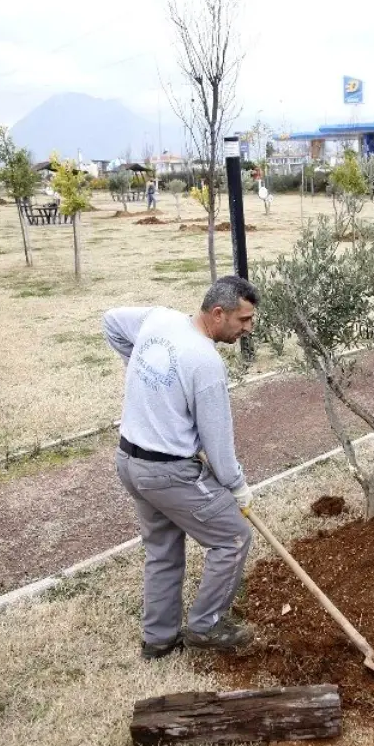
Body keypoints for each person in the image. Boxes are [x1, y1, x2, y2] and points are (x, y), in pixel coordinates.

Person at [102, 276, 259, 660]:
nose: (248, 329)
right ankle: (206, 625)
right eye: (243, 320)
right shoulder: (206, 363)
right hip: (168, 473)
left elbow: (111, 321)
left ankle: (158, 639)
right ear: (218, 313)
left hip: (129, 461)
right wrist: (236, 486)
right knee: (233, 538)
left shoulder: (160, 319)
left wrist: (140, 368)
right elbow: (218, 445)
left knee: (163, 549)